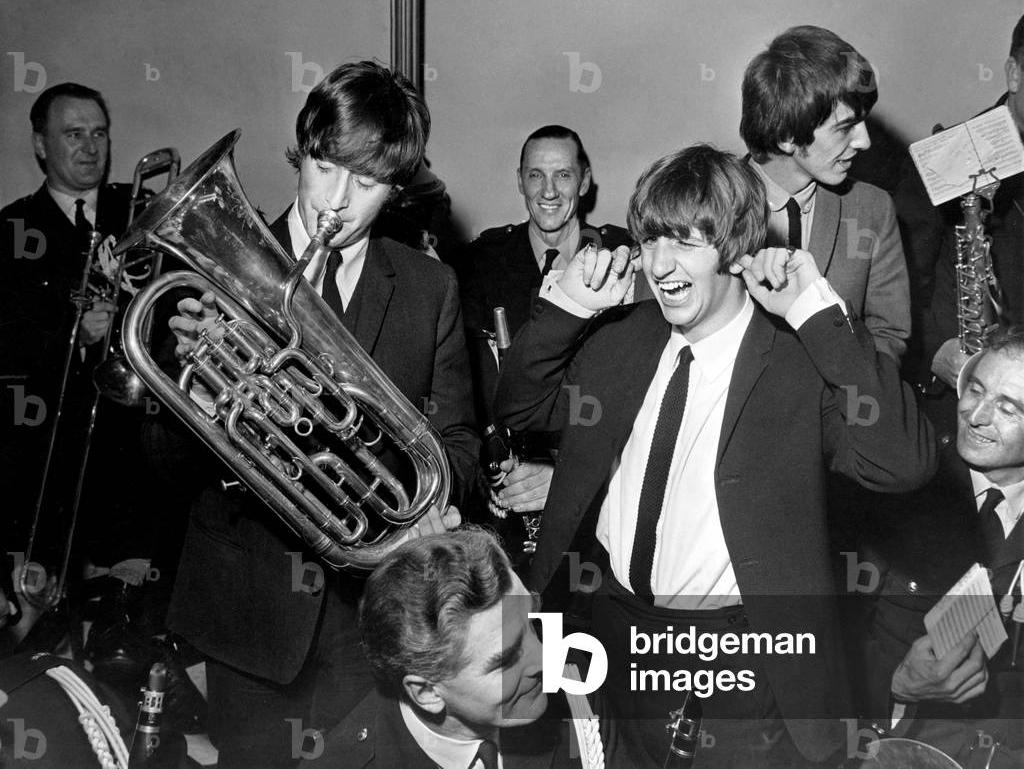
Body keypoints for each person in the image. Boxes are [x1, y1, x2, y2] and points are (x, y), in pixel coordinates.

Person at [494, 144, 936, 765]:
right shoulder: (622, 338)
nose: (661, 264)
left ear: (734, 247)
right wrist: (566, 307)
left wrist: (817, 312)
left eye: (687, 242)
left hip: (739, 654)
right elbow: (522, 407)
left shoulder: (798, 362)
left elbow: (904, 463)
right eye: (651, 240)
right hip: (615, 634)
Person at [160, 60, 478, 768]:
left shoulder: (430, 288)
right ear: (300, 154)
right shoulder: (212, 267)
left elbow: (459, 449)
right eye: (326, 167)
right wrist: (194, 403)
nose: (338, 200)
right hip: (247, 612)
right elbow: (158, 465)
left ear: (395, 190)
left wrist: (424, 501)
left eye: (367, 184)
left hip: (368, 615)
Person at [0, 82, 170, 651]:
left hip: (134, 453)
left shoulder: (144, 214)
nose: (90, 147)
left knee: (133, 627)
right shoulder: (11, 230)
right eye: (73, 134)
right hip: (47, 453)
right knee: (42, 623)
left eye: (100, 133)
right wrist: (73, 340)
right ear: (41, 145)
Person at [304, 527, 624, 768]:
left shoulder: (575, 681)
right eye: (507, 659)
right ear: (427, 693)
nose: (544, 657)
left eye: (533, 624)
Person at [459, 126, 632, 563]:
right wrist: (494, 477)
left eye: (563, 175)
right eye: (536, 176)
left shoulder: (622, 259)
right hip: (502, 503)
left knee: (581, 629)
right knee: (511, 626)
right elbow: (462, 387)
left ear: (585, 181)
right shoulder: (480, 263)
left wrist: (567, 472)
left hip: (595, 507)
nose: (549, 191)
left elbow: (631, 398)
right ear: (520, 181)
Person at [858, 329, 1024, 766]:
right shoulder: (897, 486)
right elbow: (822, 643)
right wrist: (895, 685)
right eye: (975, 389)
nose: (976, 415)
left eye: (1008, 408)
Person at [740, 25, 911, 365]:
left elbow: (889, 336)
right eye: (846, 127)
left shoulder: (873, 208)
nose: (865, 142)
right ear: (788, 135)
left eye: (863, 123)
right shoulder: (704, 204)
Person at [896, 14, 1024, 394]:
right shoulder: (943, 158)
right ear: (1014, 75)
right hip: (970, 393)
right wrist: (934, 352)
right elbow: (895, 287)